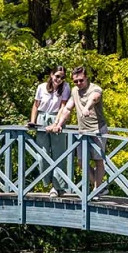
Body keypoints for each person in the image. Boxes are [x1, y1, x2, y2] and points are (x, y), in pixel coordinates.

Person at [47, 66, 107, 195]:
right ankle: (100, 186)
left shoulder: (95, 88)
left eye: (81, 80)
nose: (78, 83)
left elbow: (94, 98)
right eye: (75, 81)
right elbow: (67, 109)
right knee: (81, 162)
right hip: (83, 131)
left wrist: (87, 107)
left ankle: (97, 190)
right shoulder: (74, 91)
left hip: (98, 129)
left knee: (98, 160)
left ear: (87, 78)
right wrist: (59, 124)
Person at [27, 66, 71, 198]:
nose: (59, 79)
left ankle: (56, 187)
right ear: (51, 75)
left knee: (58, 153)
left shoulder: (66, 87)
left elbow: (63, 107)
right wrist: (32, 121)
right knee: (42, 154)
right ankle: (48, 181)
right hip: (42, 119)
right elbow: (36, 105)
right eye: (57, 76)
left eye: (62, 77)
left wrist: (56, 124)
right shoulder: (41, 87)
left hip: (56, 118)